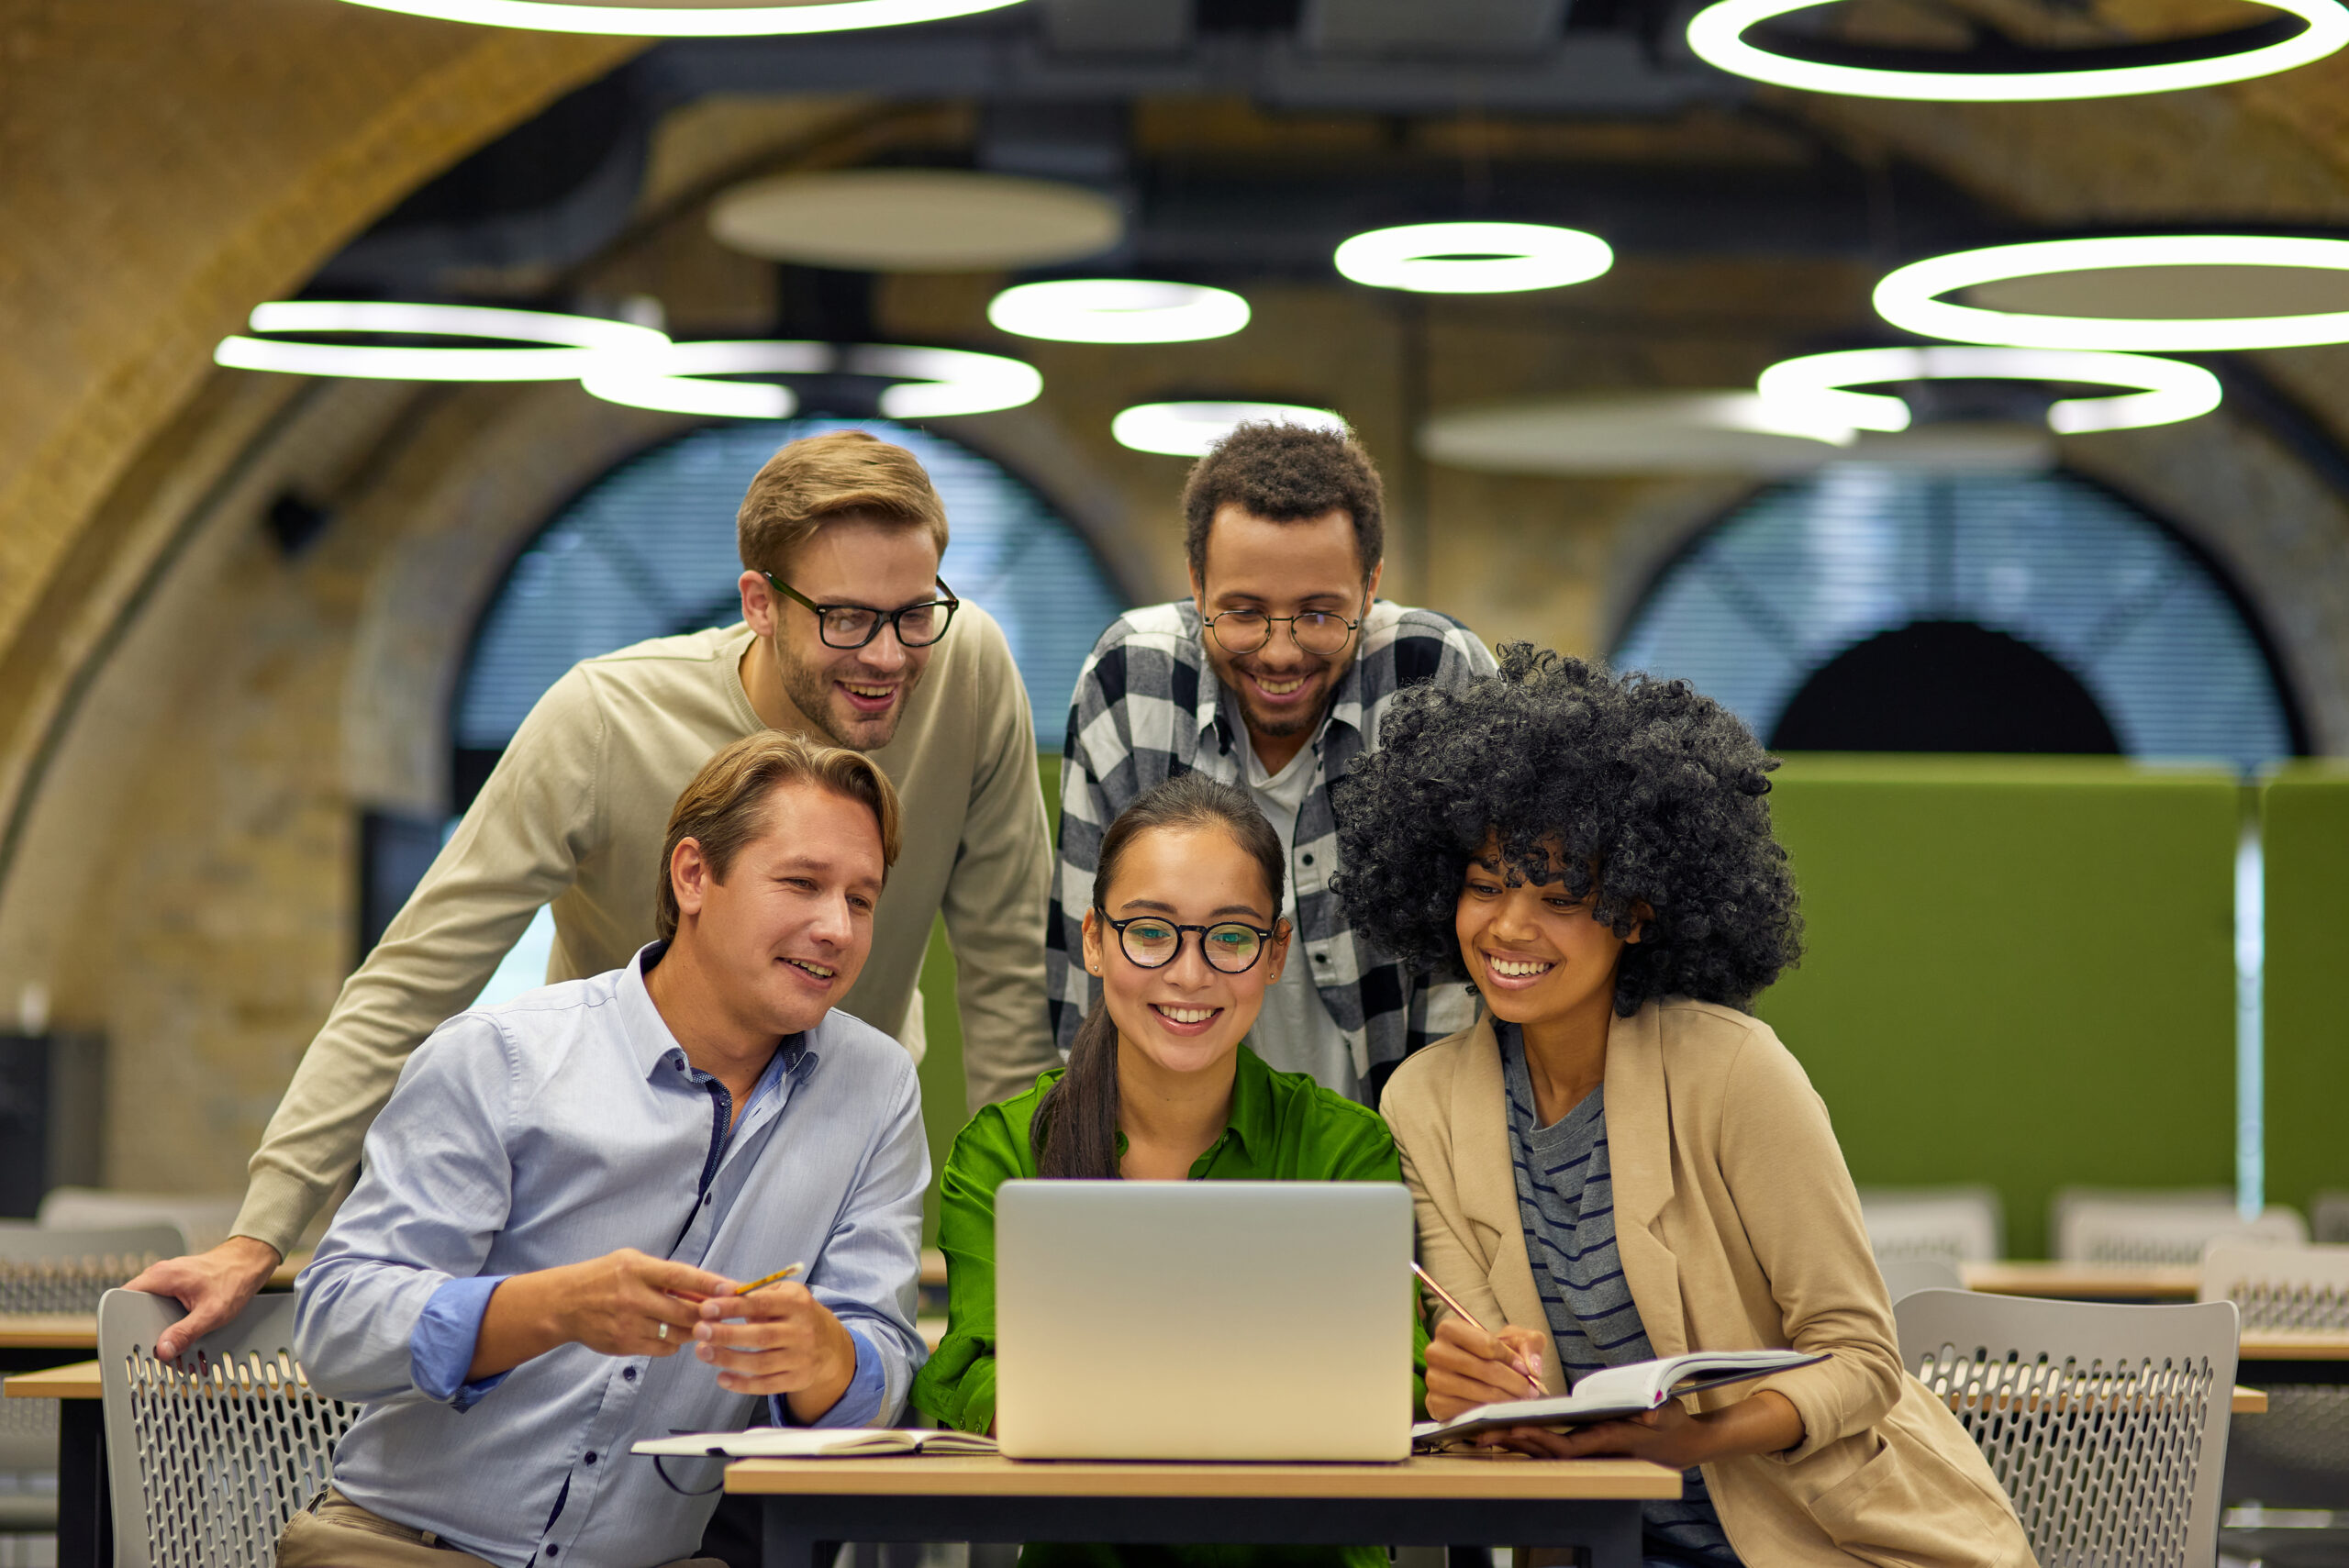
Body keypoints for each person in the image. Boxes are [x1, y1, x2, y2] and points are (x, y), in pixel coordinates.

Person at [134, 428, 1058, 1361]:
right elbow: (415, 977)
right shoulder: (604, 719)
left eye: (914, 614)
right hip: (609, 1174)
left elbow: (1009, 980)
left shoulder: (968, 667)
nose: (890, 656)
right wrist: (264, 1228)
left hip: (824, 1156)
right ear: (759, 605)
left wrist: (1030, 1266)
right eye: (849, 620)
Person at [1332, 647, 2036, 1568]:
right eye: (1486, 881)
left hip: (1839, 1541)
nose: (1509, 926)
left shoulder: (1733, 1070)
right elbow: (1500, 1387)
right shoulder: (1422, 1103)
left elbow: (1860, 1359)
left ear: (1635, 909)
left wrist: (1691, 1442)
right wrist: (1466, 1388)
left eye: (1559, 893)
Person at [278, 730, 930, 1568]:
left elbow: (876, 1370)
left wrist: (828, 1359)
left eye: (862, 899)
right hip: (408, 1547)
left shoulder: (876, 1089)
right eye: (801, 883)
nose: (836, 927)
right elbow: (337, 1324)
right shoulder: (500, 1056)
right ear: (693, 875)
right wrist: (553, 1306)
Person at [916, 773, 1423, 1568]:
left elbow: (1401, 1380)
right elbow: (964, 1377)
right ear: (1093, 938)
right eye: (1151, 931)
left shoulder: (1344, 1149)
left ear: (1275, 952)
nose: (1190, 975)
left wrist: (1101, 1402)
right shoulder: (1005, 1150)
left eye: (1229, 936)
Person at [1048, 421, 1496, 1106]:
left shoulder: (1432, 676)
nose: (1280, 652)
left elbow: (1464, 971)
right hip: (1178, 1146)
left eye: (1319, 615)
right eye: (1244, 612)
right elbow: (1093, 967)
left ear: (1370, 586)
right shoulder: (1131, 677)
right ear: (1197, 584)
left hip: (1397, 1134)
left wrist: (1425, 1174)